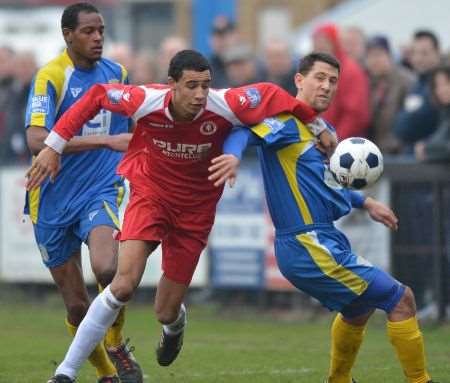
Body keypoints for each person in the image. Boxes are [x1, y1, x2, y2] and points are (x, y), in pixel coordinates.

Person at [25, 49, 327, 383]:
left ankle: (174, 327)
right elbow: (97, 96)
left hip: (194, 213)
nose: (200, 95)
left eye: (205, 85)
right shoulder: (146, 100)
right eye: (191, 86)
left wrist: (317, 123)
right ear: (172, 85)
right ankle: (65, 373)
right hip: (150, 197)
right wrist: (53, 145)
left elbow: (274, 96)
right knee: (122, 284)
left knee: (165, 310)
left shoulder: (227, 103)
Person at [209, 52, 436, 383]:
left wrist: (365, 202)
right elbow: (245, 129)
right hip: (305, 242)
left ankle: (339, 379)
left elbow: (329, 184)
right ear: (299, 80)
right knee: (401, 298)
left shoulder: (325, 131)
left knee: (358, 310)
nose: (327, 86)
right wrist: (231, 154)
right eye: (319, 77)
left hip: (323, 237)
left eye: (333, 81)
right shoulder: (285, 123)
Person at [23, 3, 142, 383]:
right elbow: (36, 139)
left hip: (100, 189)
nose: (98, 38)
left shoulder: (117, 74)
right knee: (76, 307)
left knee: (109, 268)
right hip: (53, 199)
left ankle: (116, 342)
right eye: (89, 31)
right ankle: (107, 374)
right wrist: (105, 141)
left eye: (101, 31)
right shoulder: (51, 77)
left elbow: (131, 131)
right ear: (68, 35)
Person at [312, 23, 371, 140]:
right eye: (316, 42)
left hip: (341, 144)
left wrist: (335, 140)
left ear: (334, 43)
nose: (319, 46)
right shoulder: (314, 70)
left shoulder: (349, 70)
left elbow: (356, 114)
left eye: (324, 42)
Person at [365, 35, 415, 154]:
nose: (374, 60)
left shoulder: (406, 81)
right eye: (370, 56)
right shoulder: (367, 81)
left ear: (389, 56)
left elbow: (410, 119)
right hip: (374, 150)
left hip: (398, 151)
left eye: (378, 55)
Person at [393, 30, 442, 152]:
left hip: (434, 162)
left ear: (437, 53)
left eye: (424, 53)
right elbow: (399, 127)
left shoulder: (443, 85)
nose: (418, 58)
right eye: (414, 53)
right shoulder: (416, 85)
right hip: (410, 157)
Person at [414, 65, 450, 162]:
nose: (441, 90)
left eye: (446, 83)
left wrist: (426, 149)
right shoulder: (444, 112)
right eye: (437, 85)